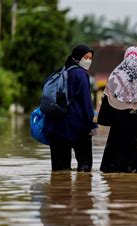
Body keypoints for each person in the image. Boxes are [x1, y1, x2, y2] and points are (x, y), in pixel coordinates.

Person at [98, 46, 137, 173]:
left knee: (118, 161)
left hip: (120, 124)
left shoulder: (116, 75)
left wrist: (106, 120)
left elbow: (107, 101)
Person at [43, 44, 97, 172]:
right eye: (86, 57)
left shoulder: (62, 71)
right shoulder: (80, 74)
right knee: (85, 170)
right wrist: (91, 125)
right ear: (77, 57)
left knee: (59, 172)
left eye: (90, 58)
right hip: (77, 127)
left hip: (56, 127)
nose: (88, 60)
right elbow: (86, 103)